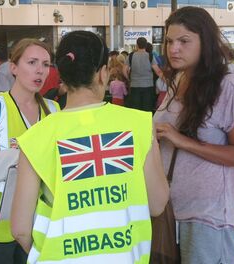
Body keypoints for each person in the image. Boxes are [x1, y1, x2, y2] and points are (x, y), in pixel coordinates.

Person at [10, 30, 169, 263]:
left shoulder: (36, 137)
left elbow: (20, 229)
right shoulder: (139, 125)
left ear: (62, 76)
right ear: (103, 74)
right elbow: (157, 204)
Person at [154, 7, 234, 264]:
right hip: (171, 211)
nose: (173, 49)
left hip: (208, 218)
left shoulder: (228, 86)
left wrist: (181, 140)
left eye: (184, 41)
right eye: (169, 41)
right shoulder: (179, 79)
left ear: (205, 41)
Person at [0, 39, 60, 264]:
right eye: (32, 62)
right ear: (13, 68)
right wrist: (26, 155)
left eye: (46, 64)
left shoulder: (53, 110)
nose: (40, 70)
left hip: (39, 222)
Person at [125, 37, 163, 112]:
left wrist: (128, 79)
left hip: (134, 86)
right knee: (147, 108)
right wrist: (166, 80)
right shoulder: (150, 56)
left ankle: (137, 123)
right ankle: (147, 123)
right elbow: (157, 71)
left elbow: (124, 69)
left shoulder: (131, 56)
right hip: (148, 86)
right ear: (145, 45)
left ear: (137, 45)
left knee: (136, 109)